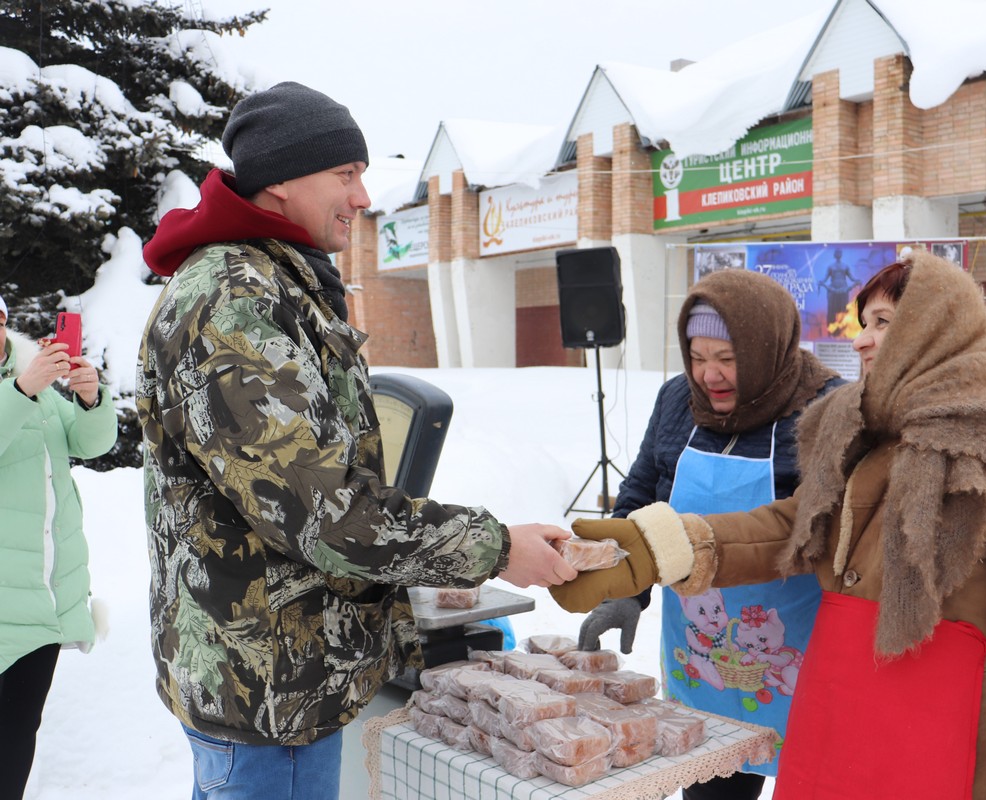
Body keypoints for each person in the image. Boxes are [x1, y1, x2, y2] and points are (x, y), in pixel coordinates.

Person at [551, 251, 986, 800]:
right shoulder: (864, 429)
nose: (861, 340)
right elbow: (795, 524)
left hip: (949, 712)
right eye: (863, 323)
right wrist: (659, 550)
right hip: (846, 690)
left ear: (937, 329)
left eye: (883, 322)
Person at [138, 82, 576, 800]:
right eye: (346, 174)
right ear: (282, 179)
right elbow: (324, 512)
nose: (363, 196)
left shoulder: (274, 280)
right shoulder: (234, 301)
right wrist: (496, 549)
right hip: (267, 691)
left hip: (280, 674)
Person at [576, 270, 841, 799]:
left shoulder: (825, 410)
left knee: (812, 778)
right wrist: (626, 589)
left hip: (794, 645)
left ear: (766, 350)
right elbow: (642, 495)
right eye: (697, 357)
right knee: (712, 780)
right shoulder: (678, 399)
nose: (709, 375)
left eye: (728, 358)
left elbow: (831, 528)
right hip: (700, 644)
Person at [0, 295, 117, 799]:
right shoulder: (26, 383)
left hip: (41, 601)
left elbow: (88, 444)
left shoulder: (33, 378)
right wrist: (21, 391)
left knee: (15, 739)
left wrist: (89, 399)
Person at [818, 248, 858, 326]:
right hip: (833, 289)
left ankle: (843, 326)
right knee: (832, 308)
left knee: (844, 307)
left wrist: (857, 281)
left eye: (839, 253)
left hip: (843, 289)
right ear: (835, 255)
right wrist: (821, 282)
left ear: (841, 254)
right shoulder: (831, 266)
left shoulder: (845, 266)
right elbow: (825, 278)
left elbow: (852, 278)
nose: (838, 254)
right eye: (837, 253)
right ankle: (832, 326)